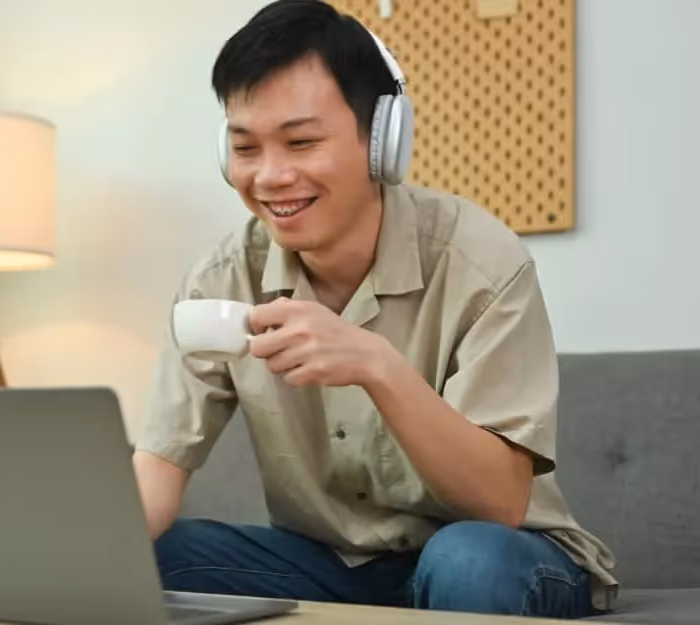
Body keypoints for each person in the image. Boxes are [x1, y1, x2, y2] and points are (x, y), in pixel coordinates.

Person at [133, 0, 616, 619]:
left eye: (301, 142)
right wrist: (57, 555)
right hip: (329, 562)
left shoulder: (480, 262)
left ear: (382, 142)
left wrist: (376, 366)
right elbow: (157, 473)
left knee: (467, 559)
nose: (271, 176)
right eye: (246, 147)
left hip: (506, 552)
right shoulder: (221, 277)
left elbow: (500, 504)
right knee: (146, 554)